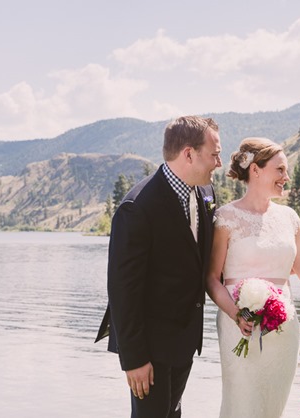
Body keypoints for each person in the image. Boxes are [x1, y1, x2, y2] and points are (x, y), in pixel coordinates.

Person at [94, 115, 222, 418]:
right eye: (214, 153)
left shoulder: (205, 194)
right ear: (189, 154)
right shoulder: (137, 207)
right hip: (149, 349)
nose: (219, 162)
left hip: (185, 340)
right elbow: (122, 290)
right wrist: (134, 359)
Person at [205, 137, 300, 418]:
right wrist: (237, 314)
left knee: (273, 407)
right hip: (239, 324)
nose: (287, 177)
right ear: (255, 170)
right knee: (242, 405)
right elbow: (211, 279)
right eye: (280, 170)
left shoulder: (289, 217)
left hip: (284, 327)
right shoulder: (226, 217)